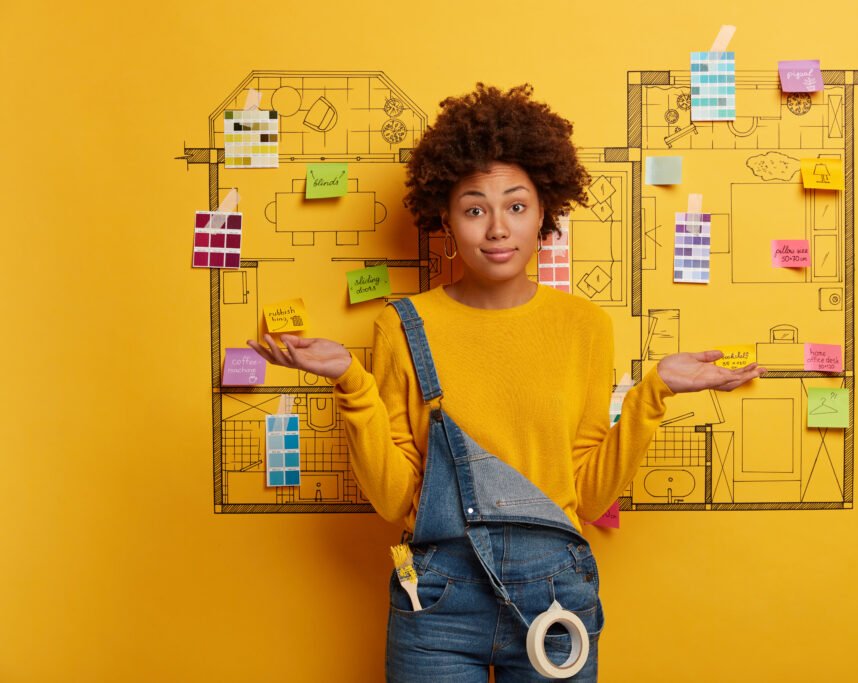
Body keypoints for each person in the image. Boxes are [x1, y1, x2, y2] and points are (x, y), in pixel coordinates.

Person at [249, 83, 762, 682]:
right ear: (446, 218)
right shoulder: (402, 326)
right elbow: (394, 499)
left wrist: (654, 393)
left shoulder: (584, 327)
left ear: (545, 213)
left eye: (516, 207)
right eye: (475, 209)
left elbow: (588, 496)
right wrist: (351, 384)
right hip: (437, 600)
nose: (497, 228)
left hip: (556, 594)